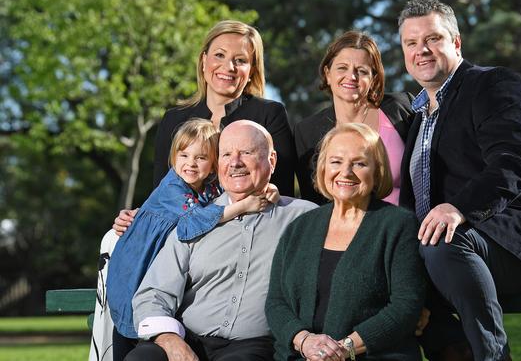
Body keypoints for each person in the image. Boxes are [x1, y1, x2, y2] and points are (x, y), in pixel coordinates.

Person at [397, 0, 521, 361]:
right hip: (453, 252)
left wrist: (457, 209)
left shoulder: (493, 85)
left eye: (432, 39)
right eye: (411, 43)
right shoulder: (419, 117)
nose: (422, 51)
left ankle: (494, 357)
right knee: (390, 272)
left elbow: (514, 162)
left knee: (440, 242)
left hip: (519, 240)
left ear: (457, 42)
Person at [125, 120, 317, 361]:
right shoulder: (197, 220)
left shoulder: (304, 218)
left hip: (254, 346)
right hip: (187, 338)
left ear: (272, 161)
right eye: (226, 154)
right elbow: (154, 293)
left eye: (246, 152)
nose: (235, 162)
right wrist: (169, 340)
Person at [113, 19, 297, 234]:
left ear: (252, 71)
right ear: (203, 60)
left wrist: (269, 190)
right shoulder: (174, 119)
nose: (229, 67)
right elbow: (162, 192)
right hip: (184, 236)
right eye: (219, 55)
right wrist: (137, 215)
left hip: (248, 230)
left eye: (240, 60)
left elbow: (281, 187)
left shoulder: (269, 114)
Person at [266, 123, 427, 360]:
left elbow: (405, 306)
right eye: (336, 161)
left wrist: (344, 349)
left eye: (359, 163)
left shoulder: (398, 225)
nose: (346, 172)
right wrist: (305, 342)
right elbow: (276, 302)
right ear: (322, 168)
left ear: (377, 170)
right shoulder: (299, 227)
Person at [294, 30, 414, 205]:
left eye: (362, 71)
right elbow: (311, 202)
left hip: (407, 227)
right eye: (342, 68)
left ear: (373, 78)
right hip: (343, 230)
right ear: (328, 74)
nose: (351, 77)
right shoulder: (306, 131)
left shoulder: (402, 108)